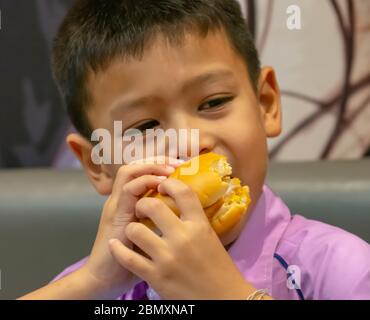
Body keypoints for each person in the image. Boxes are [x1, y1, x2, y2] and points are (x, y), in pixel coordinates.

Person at [19, 0, 370, 300]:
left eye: (213, 102)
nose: (188, 142)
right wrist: (92, 283)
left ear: (265, 103)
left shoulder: (336, 267)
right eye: (144, 127)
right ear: (97, 164)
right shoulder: (96, 284)